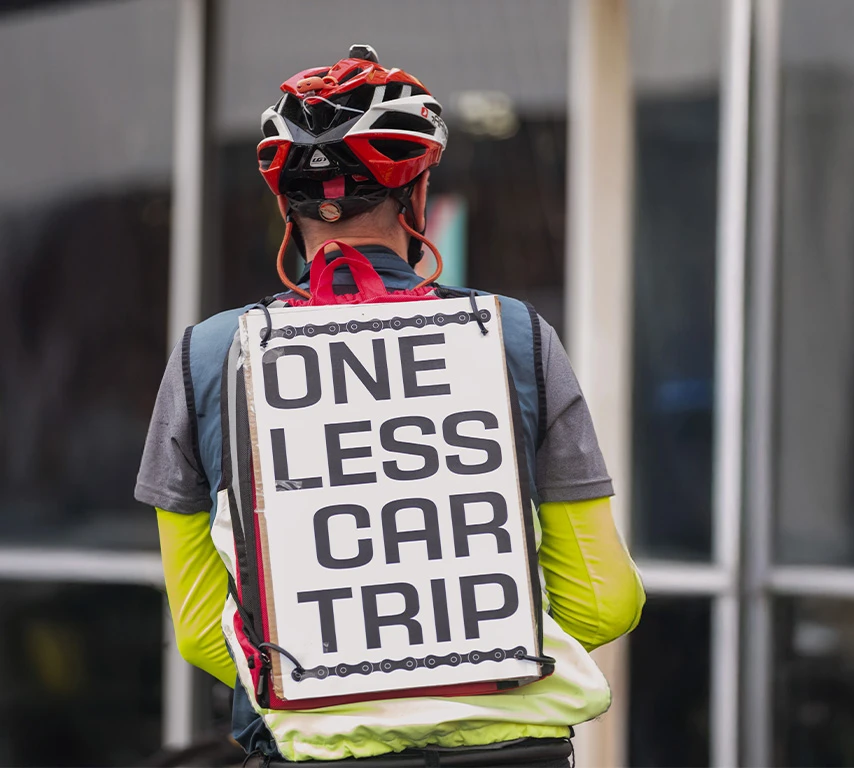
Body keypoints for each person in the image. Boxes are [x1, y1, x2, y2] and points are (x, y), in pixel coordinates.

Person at [136, 45, 644, 766]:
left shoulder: (210, 357)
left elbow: (198, 631)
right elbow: (605, 602)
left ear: (287, 205)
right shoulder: (514, 336)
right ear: (417, 194)